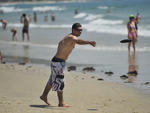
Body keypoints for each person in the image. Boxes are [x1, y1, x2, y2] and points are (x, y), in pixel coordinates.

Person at [40, 23, 96, 107]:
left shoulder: (68, 37)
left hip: (58, 61)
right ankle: (61, 103)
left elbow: (60, 44)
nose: (80, 31)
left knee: (52, 80)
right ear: (73, 30)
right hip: (58, 62)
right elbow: (78, 41)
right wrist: (89, 42)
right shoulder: (71, 37)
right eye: (79, 30)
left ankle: (44, 96)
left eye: (81, 30)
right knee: (60, 81)